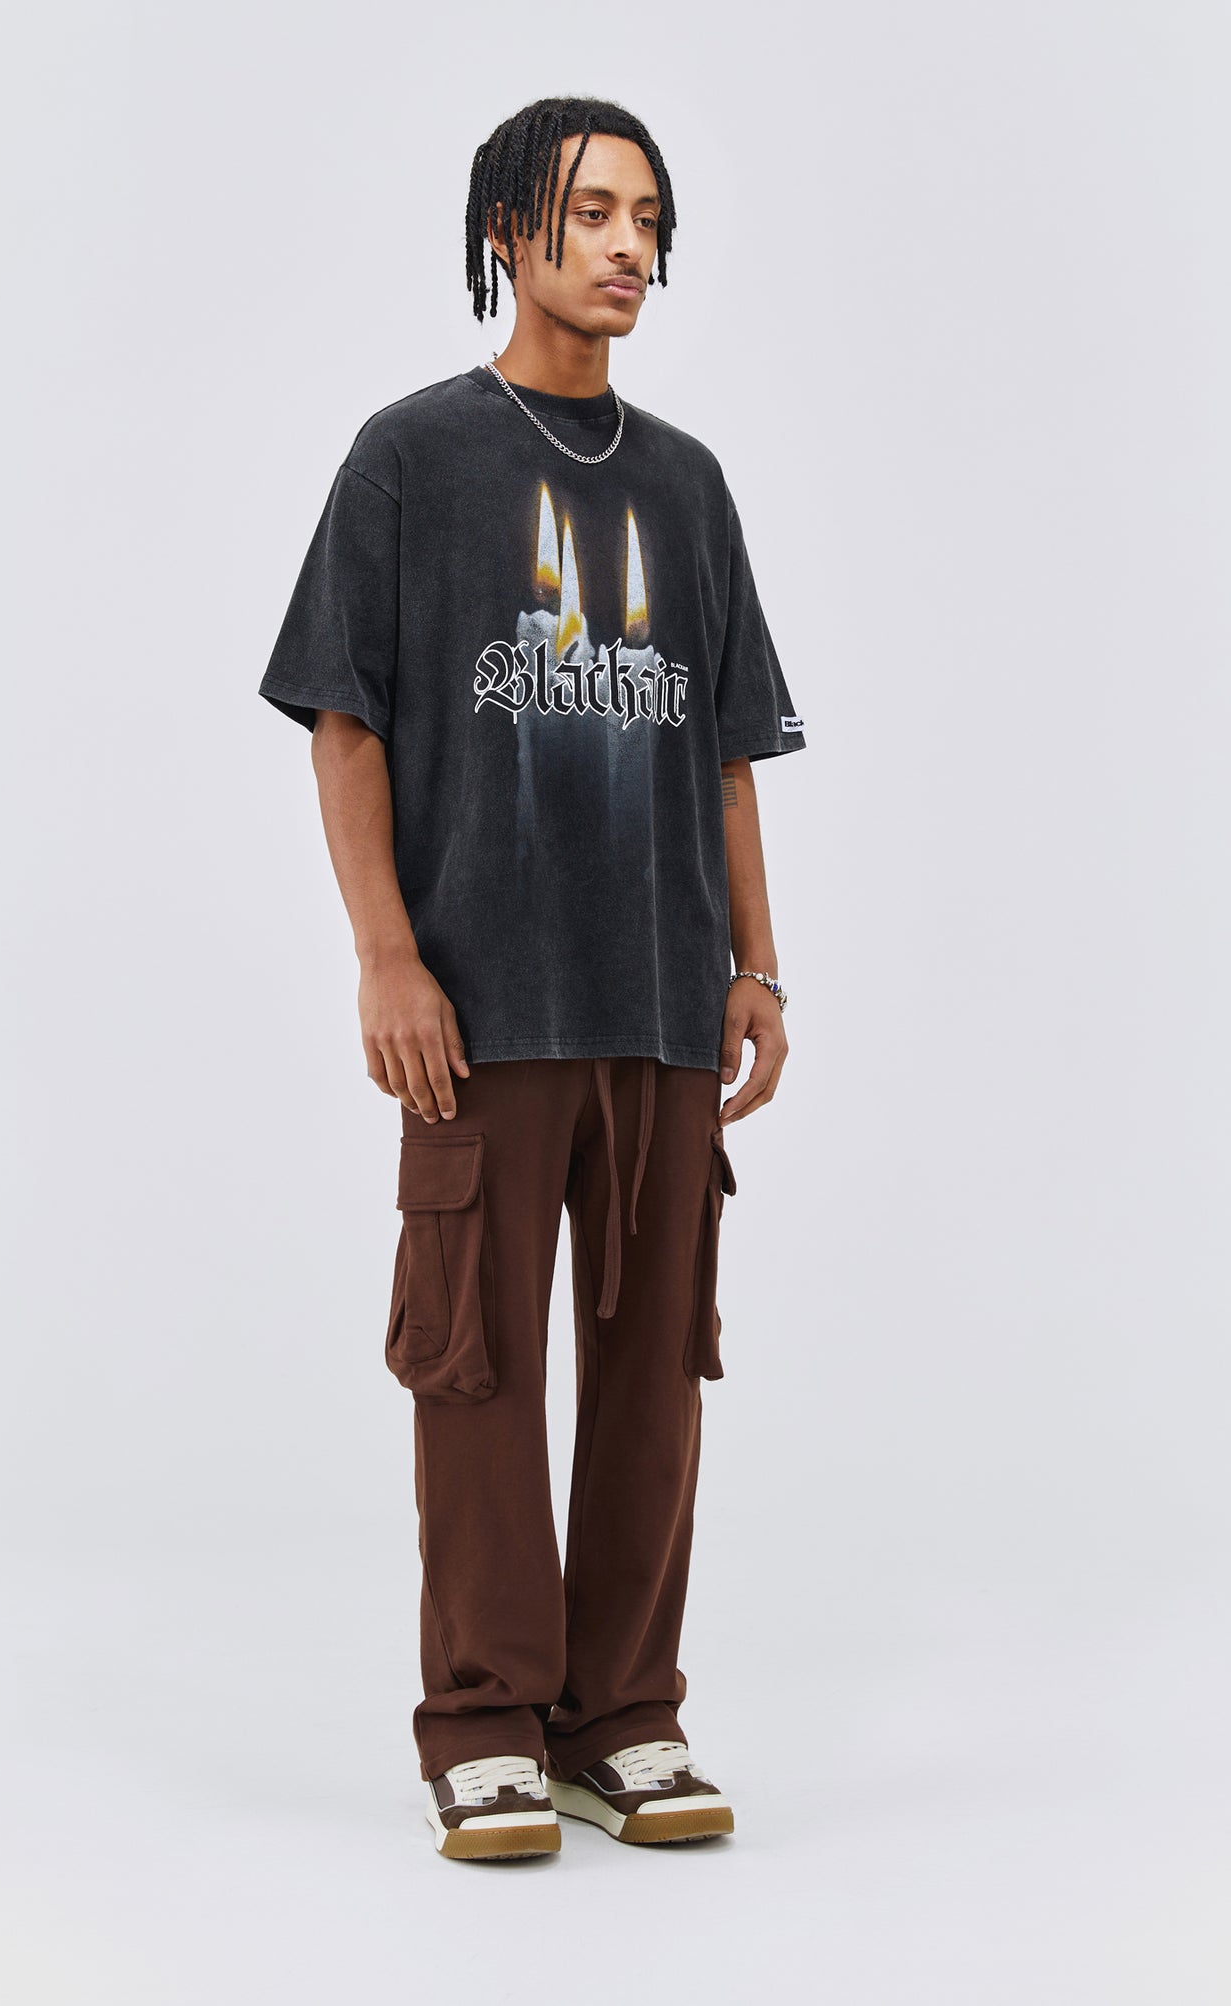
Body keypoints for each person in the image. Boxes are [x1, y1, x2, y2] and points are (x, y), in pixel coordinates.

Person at [258, 95, 807, 1862]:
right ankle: (486, 1718)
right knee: (475, 1367)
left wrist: (757, 968)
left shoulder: (687, 483)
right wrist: (387, 956)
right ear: (509, 230)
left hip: (658, 1003)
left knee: (652, 1378)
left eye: (649, 218)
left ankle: (622, 1715)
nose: (627, 246)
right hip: (481, 1011)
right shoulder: (412, 458)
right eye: (591, 213)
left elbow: (726, 751)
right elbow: (344, 722)